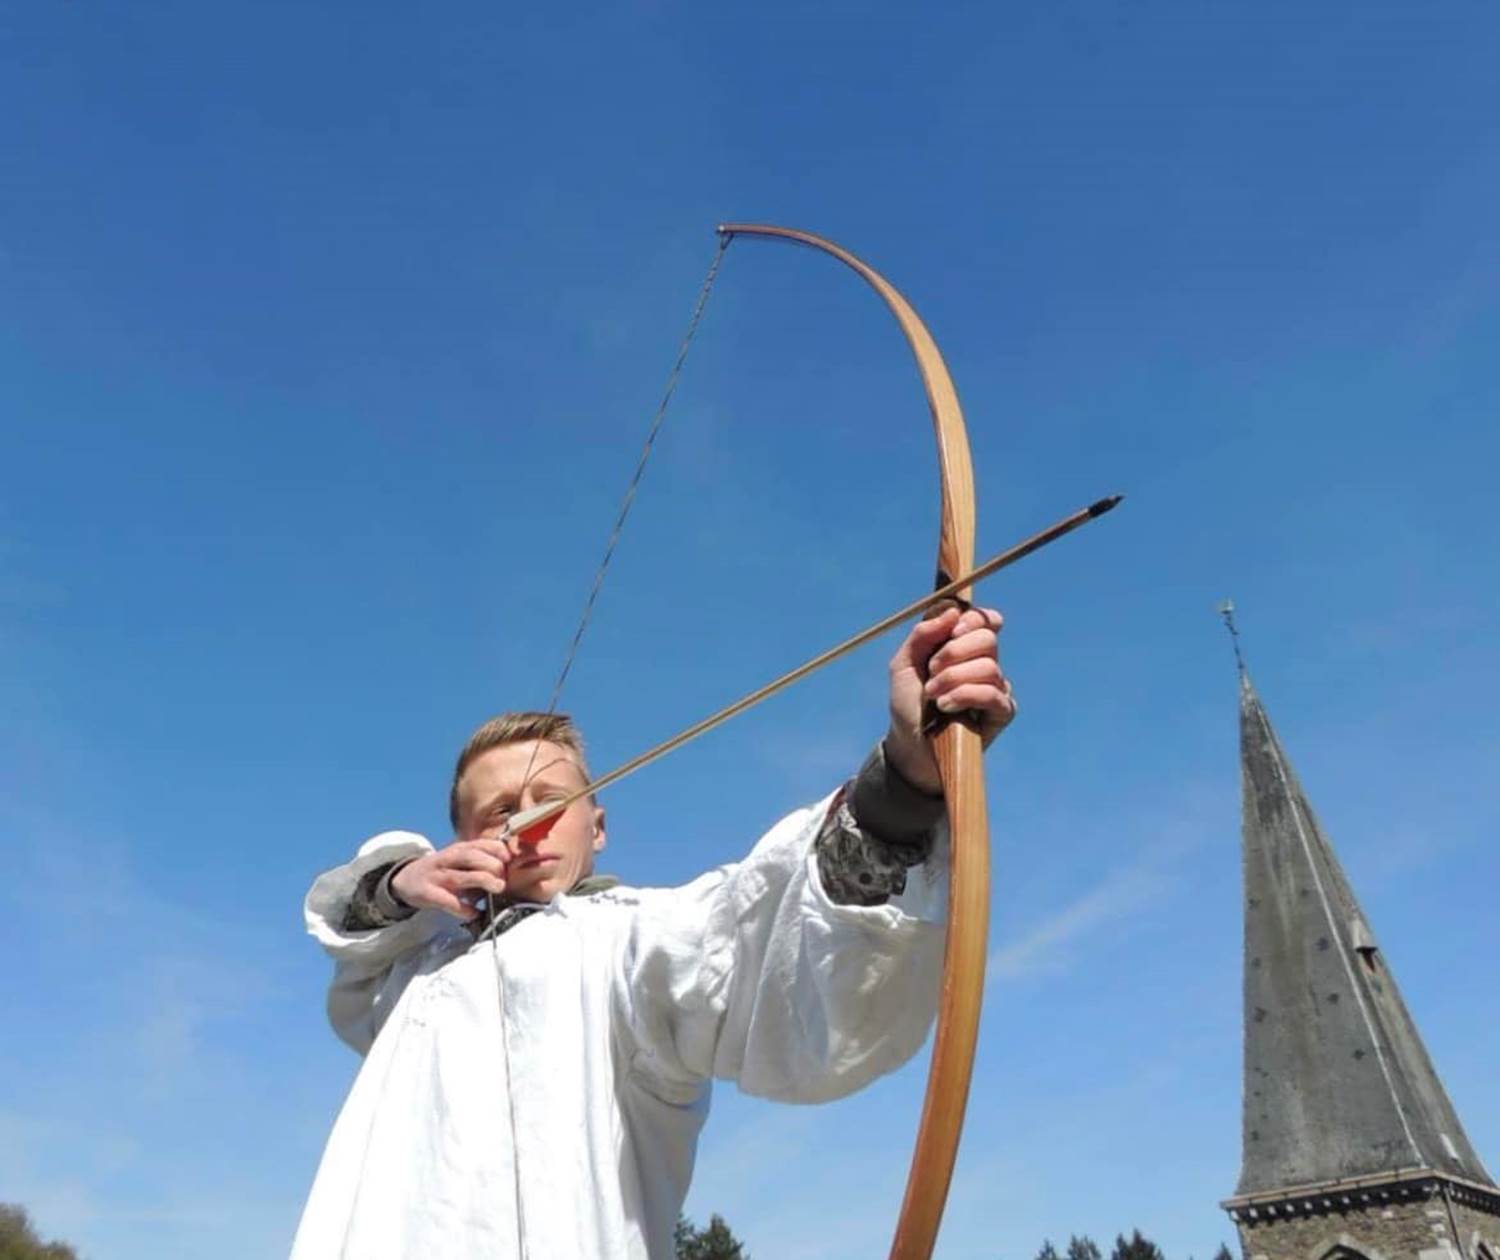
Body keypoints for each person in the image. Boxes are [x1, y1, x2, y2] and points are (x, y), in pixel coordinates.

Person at [290, 605, 1015, 1259]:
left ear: (597, 827)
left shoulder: (629, 941)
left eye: (554, 799)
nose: (529, 821)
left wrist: (907, 780)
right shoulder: (416, 976)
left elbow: (757, 943)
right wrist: (397, 886)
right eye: (498, 810)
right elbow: (349, 943)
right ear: (459, 838)